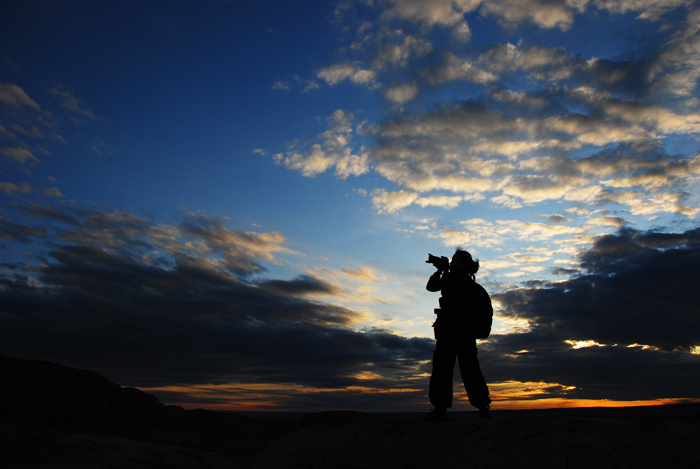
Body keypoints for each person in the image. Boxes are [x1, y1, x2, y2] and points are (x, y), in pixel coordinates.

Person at [426, 248, 491, 420]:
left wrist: (442, 269)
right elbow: (432, 287)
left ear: (461, 264)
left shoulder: (458, 281)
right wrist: (442, 269)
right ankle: (482, 407)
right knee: (466, 370)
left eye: (454, 261)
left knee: (447, 370)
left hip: (455, 333)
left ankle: (441, 409)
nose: (452, 263)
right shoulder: (467, 283)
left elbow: (432, 286)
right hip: (459, 333)